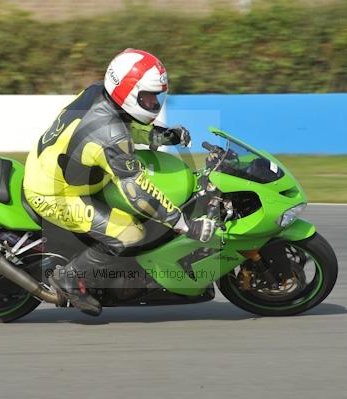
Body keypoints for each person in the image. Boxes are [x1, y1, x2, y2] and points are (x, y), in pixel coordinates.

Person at [23, 48, 215, 316]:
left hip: (51, 166)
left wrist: (163, 135)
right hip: (55, 192)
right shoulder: (109, 135)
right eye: (147, 97)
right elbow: (138, 191)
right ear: (126, 91)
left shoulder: (98, 92)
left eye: (156, 96)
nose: (153, 103)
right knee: (129, 232)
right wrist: (183, 223)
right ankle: (69, 277)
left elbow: (125, 124)